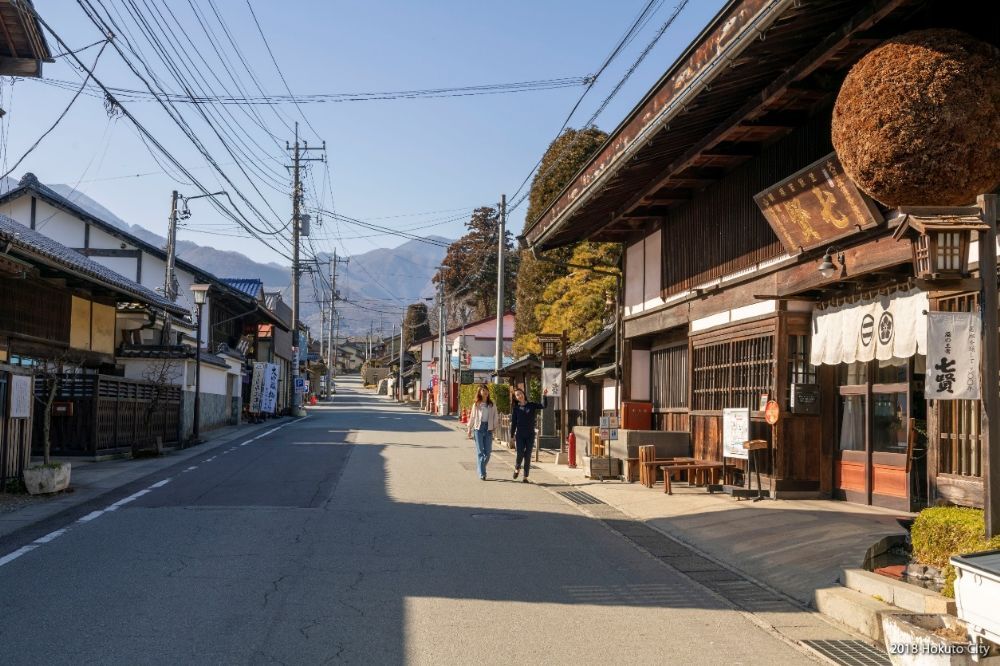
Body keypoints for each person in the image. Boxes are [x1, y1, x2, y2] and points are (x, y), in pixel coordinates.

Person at [510, 387, 545, 483]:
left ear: (524, 394)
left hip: (530, 434)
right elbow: (514, 423)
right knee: (520, 453)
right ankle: (517, 467)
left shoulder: (531, 405)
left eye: (520, 393)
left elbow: (543, 405)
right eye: (517, 395)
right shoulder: (516, 408)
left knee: (528, 455)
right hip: (520, 434)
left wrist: (544, 395)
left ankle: (525, 477)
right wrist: (512, 435)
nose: (519, 396)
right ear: (515, 398)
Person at [466, 384, 497, 480]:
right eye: (483, 390)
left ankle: (480, 466)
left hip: (488, 429)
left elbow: (496, 417)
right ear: (480, 393)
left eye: (486, 390)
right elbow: (472, 417)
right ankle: (482, 473)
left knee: (487, 453)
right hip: (478, 429)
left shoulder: (492, 404)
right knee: (480, 452)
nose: (485, 392)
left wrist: (494, 428)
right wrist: (469, 429)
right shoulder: (476, 404)